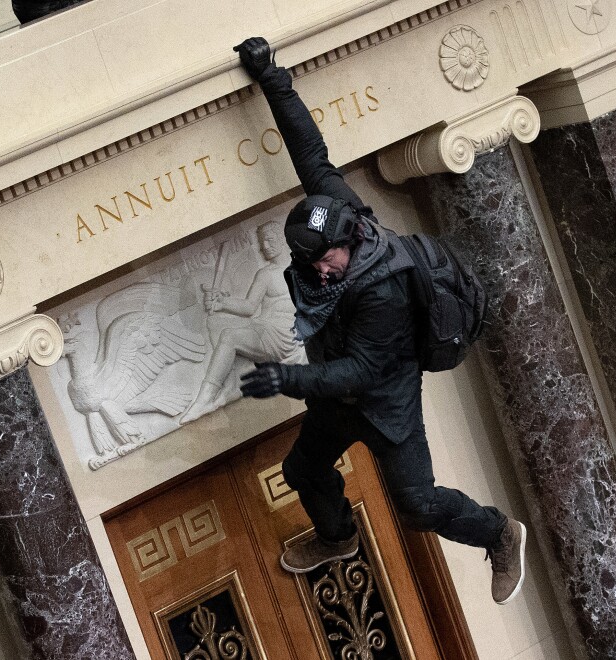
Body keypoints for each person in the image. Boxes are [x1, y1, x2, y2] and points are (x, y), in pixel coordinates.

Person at [233, 37, 526, 605]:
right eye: (308, 262)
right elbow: (310, 154)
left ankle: (499, 532)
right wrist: (272, 79)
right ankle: (337, 537)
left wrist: (285, 379)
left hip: (384, 401)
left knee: (417, 505)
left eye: (325, 261)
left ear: (349, 241)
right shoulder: (337, 210)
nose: (318, 272)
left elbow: (359, 372)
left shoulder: (382, 289)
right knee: (302, 470)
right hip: (336, 400)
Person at [181, 221, 301, 423]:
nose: (265, 246)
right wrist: (221, 303)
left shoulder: (302, 268)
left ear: (283, 238)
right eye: (262, 242)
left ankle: (206, 398)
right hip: (265, 327)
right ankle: (226, 384)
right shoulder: (265, 274)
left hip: (286, 334)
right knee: (214, 321)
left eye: (270, 239)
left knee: (230, 335)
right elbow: (249, 307)